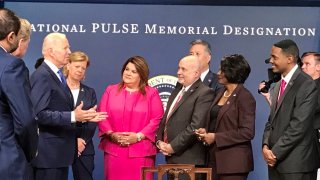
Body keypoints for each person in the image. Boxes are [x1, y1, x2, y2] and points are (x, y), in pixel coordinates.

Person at [30, 32, 107, 180]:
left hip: (58, 155)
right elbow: (39, 114)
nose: (69, 52)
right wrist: (74, 116)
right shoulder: (42, 76)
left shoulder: (56, 76)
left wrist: (84, 116)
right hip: (49, 157)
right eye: (66, 48)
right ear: (51, 51)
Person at [98, 56, 164, 180]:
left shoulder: (152, 93)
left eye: (134, 71)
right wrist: (111, 134)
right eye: (127, 69)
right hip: (114, 151)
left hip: (141, 152)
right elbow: (102, 115)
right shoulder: (110, 90)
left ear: (142, 75)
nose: (128, 73)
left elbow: (157, 119)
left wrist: (138, 136)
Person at [262, 39, 318, 180]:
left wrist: (274, 153)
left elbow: (299, 125)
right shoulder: (277, 85)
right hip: (275, 163)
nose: (270, 61)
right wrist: (265, 145)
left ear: (289, 59)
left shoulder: (306, 84)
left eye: (275, 57)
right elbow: (271, 120)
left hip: (296, 165)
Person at [195, 54, 255, 180]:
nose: (218, 73)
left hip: (233, 164)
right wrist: (206, 131)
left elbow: (247, 132)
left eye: (222, 70)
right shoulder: (220, 92)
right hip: (213, 159)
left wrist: (216, 137)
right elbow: (216, 121)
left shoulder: (245, 97)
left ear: (232, 72)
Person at [156, 55, 215, 180]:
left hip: (189, 160)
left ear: (196, 73)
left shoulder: (204, 93)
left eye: (183, 69)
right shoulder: (178, 90)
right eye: (178, 68)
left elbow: (196, 126)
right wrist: (160, 141)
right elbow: (166, 118)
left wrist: (172, 147)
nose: (178, 72)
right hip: (172, 159)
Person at [0, 8, 38, 179]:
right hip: (8, 161)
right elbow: (25, 120)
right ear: (11, 37)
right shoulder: (11, 66)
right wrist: (30, 153)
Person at [63, 51, 97, 180]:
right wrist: (72, 141)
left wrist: (82, 141)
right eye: (77, 66)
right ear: (68, 65)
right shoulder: (58, 88)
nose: (80, 70)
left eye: (83, 68)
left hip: (84, 146)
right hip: (62, 142)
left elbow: (93, 120)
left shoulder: (89, 92)